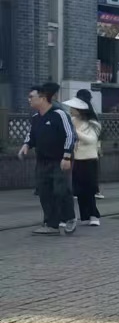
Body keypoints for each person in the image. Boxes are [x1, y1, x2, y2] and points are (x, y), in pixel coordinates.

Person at [17, 81, 77, 236]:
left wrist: (67, 156)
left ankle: (70, 218)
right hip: (42, 161)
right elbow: (32, 135)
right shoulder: (36, 117)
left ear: (42, 98)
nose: (29, 99)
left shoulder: (59, 114)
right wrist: (26, 145)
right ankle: (51, 224)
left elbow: (70, 135)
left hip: (60, 160)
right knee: (44, 192)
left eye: (32, 96)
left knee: (61, 191)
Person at [65, 96, 102, 226]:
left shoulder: (93, 124)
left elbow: (91, 139)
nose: (70, 110)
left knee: (90, 189)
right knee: (79, 190)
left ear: (79, 110)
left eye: (73, 108)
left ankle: (94, 215)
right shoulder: (72, 120)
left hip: (89, 159)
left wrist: (75, 132)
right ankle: (84, 215)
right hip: (77, 159)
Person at [76, 89, 105, 201]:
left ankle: (80, 190)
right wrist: (99, 147)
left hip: (82, 145)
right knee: (92, 171)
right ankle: (94, 190)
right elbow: (98, 132)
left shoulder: (80, 111)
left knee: (79, 170)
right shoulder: (92, 111)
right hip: (92, 146)